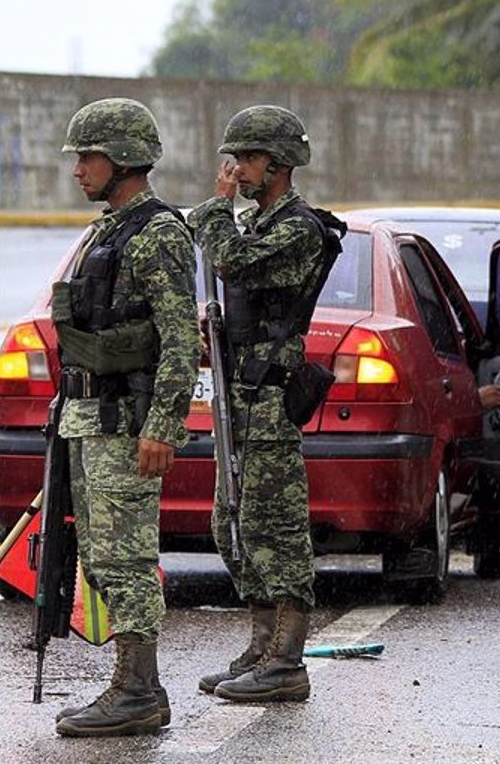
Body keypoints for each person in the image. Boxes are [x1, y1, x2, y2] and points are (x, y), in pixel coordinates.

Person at [53, 98, 200, 736]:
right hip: (89, 417)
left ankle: (140, 688)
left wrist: (163, 425)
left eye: (88, 157)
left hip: (124, 422)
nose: (78, 170)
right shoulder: (107, 228)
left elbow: (180, 340)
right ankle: (131, 682)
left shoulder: (158, 233)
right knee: (101, 555)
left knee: (127, 556)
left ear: (121, 160)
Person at [190, 105, 335, 703]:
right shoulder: (256, 222)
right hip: (239, 394)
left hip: (271, 401)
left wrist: (215, 210)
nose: (236, 169)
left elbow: (234, 264)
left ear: (276, 164)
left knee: (274, 528)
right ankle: (260, 645)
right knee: (232, 524)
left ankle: (287, 660)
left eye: (246, 159)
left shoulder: (298, 227)